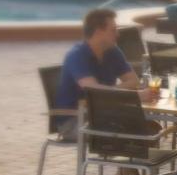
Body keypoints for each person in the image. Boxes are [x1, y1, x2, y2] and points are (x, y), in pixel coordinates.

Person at [55, 8, 158, 139]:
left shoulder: (112, 51)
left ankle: (132, 159)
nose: (118, 34)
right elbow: (92, 91)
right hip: (74, 121)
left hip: (103, 113)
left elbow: (134, 81)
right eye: (113, 30)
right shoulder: (77, 55)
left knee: (150, 127)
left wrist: (112, 92)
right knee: (137, 129)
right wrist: (133, 96)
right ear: (98, 32)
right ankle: (125, 159)